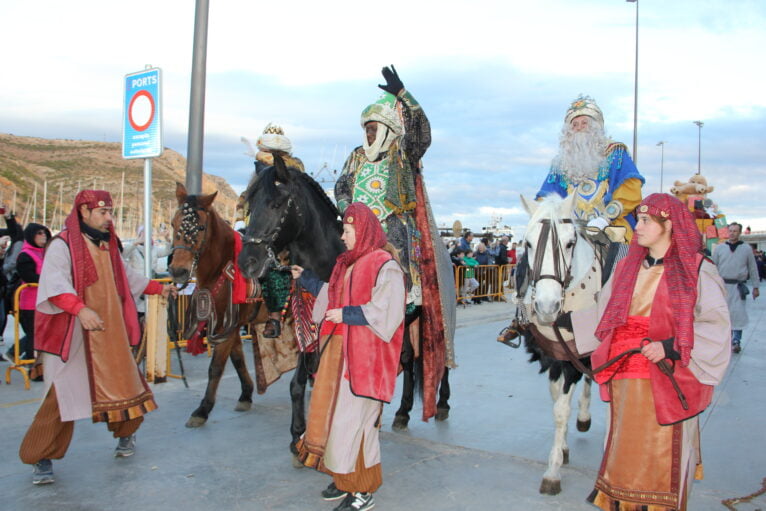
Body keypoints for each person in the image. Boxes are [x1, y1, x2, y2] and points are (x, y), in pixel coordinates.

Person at [18, 190, 176, 485]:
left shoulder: (108, 246)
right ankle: (41, 456)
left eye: (110, 212)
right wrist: (80, 310)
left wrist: (158, 288)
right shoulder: (61, 245)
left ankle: (127, 436)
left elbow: (127, 276)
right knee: (60, 395)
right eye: (102, 213)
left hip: (108, 331)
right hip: (72, 334)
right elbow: (55, 284)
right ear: (83, 212)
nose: (108, 218)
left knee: (124, 385)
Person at [588, 193, 731, 510]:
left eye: (645, 220)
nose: (636, 227)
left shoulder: (696, 269)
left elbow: (715, 323)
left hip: (668, 377)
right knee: (622, 449)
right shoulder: (627, 267)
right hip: (624, 374)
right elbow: (602, 312)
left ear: (669, 225)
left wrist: (669, 346)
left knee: (661, 453)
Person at [334, 66, 456, 420]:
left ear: (387, 130)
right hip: (359, 235)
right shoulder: (357, 156)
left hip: (395, 235)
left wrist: (404, 94)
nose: (369, 134)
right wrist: (348, 214)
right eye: (366, 129)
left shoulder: (404, 154)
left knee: (403, 264)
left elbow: (422, 133)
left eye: (374, 129)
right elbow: (342, 186)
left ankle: (410, 294)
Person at [294, 203, 406, 511]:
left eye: (347, 230)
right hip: (340, 357)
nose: (342, 237)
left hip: (365, 362)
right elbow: (332, 294)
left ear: (364, 229)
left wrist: (347, 314)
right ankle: (346, 483)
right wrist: (305, 279)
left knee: (357, 424)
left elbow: (389, 310)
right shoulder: (350, 264)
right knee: (339, 423)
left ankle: (363, 491)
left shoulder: (385, 264)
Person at [536, 95, 644, 241]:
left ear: (595, 126)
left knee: (624, 259)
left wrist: (605, 219)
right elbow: (548, 198)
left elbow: (630, 190)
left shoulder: (615, 153)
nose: (579, 127)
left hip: (612, 227)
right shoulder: (560, 164)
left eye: (584, 123)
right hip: (572, 231)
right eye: (574, 124)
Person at [241, 123, 306, 338]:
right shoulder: (258, 171)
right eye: (265, 151)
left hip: (287, 225)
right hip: (260, 222)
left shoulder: (294, 168)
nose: (266, 155)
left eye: (270, 152)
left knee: (276, 266)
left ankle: (275, 316)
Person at [6, 223, 51, 367]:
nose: (43, 235)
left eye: (44, 232)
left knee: (41, 334)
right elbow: (28, 276)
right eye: (39, 233)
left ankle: (18, 353)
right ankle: (34, 367)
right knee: (34, 335)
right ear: (31, 235)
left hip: (45, 300)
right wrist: (50, 280)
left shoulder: (45, 252)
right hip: (30, 302)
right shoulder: (25, 254)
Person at [711, 222, 759, 353]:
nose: (732, 233)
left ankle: (736, 341)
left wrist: (756, 286)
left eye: (735, 231)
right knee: (722, 314)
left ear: (740, 232)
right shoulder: (720, 248)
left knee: (738, 314)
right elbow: (713, 268)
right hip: (722, 286)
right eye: (730, 231)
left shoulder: (746, 249)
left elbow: (752, 268)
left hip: (738, 287)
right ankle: (724, 340)